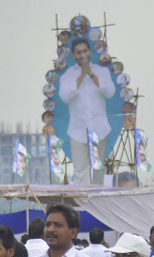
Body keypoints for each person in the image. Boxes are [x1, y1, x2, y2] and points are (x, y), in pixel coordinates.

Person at [58, 38, 115, 183]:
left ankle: (97, 204)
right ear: (73, 55)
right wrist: (82, 75)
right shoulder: (68, 75)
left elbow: (110, 93)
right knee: (80, 172)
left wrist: (91, 74)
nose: (82, 55)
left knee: (98, 170)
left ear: (89, 51)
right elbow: (65, 97)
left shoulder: (101, 71)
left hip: (99, 129)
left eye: (85, 51)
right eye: (78, 52)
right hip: (78, 130)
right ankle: (83, 205)